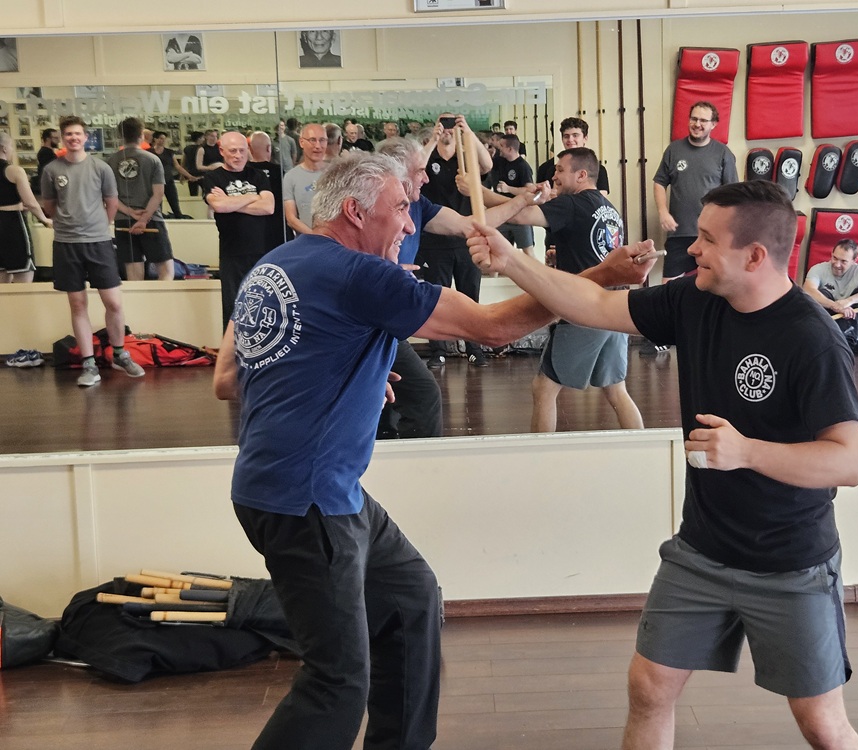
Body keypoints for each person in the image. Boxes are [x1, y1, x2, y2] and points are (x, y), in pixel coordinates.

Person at [212, 151, 653, 750]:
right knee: (336, 683)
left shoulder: (275, 264)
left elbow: (229, 379)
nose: (407, 224)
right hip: (308, 500)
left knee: (409, 598)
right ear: (354, 211)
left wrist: (341, 367)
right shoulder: (362, 275)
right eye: (399, 208)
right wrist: (600, 276)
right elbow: (493, 328)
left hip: (297, 487)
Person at [467, 178, 858, 750]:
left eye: (707, 239)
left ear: (755, 256)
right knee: (650, 686)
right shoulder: (695, 298)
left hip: (791, 566)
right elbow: (595, 304)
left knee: (822, 724)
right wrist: (512, 260)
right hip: (701, 551)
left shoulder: (812, 338)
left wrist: (748, 451)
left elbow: (849, 461)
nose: (692, 248)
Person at [375, 135, 552, 439]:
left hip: (389, 324)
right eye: (420, 171)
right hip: (370, 321)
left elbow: (470, 225)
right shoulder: (370, 207)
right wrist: (379, 271)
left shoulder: (419, 205)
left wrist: (522, 200)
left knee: (404, 399)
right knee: (414, 398)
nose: (426, 178)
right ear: (397, 173)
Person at [498, 147, 643, 432]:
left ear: (581, 175)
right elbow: (598, 251)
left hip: (586, 308)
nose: (554, 176)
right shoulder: (609, 209)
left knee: (544, 388)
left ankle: (541, 456)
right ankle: (642, 448)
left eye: (560, 170)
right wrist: (563, 257)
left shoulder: (573, 204)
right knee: (616, 390)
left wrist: (480, 193)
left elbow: (520, 217)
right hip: (617, 307)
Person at [40, 116, 146, 387]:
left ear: (86, 137)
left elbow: (112, 203)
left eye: (78, 134)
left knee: (114, 303)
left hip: (99, 242)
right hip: (66, 244)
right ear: (62, 138)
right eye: (68, 134)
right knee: (78, 305)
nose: (73, 138)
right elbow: (49, 207)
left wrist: (99, 226)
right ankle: (89, 364)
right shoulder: (52, 169)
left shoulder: (101, 168)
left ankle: (120, 354)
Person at [418, 112, 493, 368]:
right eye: (444, 123)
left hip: (466, 239)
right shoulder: (429, 156)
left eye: (452, 124)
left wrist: (468, 131)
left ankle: (473, 348)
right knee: (435, 298)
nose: (448, 128)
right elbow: (414, 168)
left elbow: (487, 165)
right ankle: (438, 350)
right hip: (434, 241)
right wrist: (433, 139)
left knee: (470, 298)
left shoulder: (466, 158)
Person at [653, 101, 738, 279]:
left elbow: (733, 195)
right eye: (694, 119)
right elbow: (659, 182)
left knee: (711, 285)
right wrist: (663, 212)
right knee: (669, 288)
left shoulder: (723, 153)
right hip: (679, 234)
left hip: (711, 235)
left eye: (703, 120)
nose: (697, 124)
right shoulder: (673, 150)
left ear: (713, 124)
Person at [203, 131, 275, 329]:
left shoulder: (258, 175)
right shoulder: (213, 177)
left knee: (261, 306)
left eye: (242, 151)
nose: (238, 155)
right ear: (222, 151)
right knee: (233, 309)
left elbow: (268, 207)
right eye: (233, 151)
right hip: (231, 253)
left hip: (260, 252)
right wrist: (253, 197)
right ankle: (232, 348)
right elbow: (219, 206)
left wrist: (230, 202)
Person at [106, 117, 175, 281]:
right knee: (166, 271)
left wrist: (130, 212)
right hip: (151, 219)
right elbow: (158, 194)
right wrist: (143, 219)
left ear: (120, 136)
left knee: (133, 275)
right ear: (142, 135)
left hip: (124, 221)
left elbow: (109, 196)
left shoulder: (110, 161)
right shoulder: (152, 159)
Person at [804, 239, 858, 355]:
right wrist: (835, 306)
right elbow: (808, 290)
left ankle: (845, 340)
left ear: (854, 260)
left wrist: (848, 301)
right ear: (831, 254)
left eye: (843, 261)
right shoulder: (818, 269)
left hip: (854, 326)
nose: (837, 264)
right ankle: (850, 344)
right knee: (822, 293)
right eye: (835, 258)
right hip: (829, 323)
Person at [0, 132, 52, 284]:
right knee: (23, 275)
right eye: (11, 146)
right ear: (4, 148)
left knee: (2, 278)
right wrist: (45, 219)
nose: (12, 150)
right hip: (12, 225)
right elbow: (30, 202)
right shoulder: (14, 171)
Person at [536, 117, 610, 195]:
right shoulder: (545, 169)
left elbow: (599, 198)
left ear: (585, 138)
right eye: (566, 136)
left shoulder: (598, 170)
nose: (570, 140)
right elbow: (539, 197)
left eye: (575, 135)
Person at [492, 134, 536, 258]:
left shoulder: (523, 167)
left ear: (510, 149)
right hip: (503, 214)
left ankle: (533, 271)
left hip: (520, 215)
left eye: (502, 146)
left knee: (528, 252)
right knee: (500, 252)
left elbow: (529, 191)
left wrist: (508, 189)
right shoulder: (499, 161)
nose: (499, 148)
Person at [282, 123, 327, 236]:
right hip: (307, 241)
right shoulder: (290, 177)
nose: (318, 146)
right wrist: (315, 236)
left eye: (322, 140)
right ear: (301, 142)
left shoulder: (337, 173)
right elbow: (291, 218)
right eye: (312, 140)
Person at [247, 131, 287, 251]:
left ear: (250, 149)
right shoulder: (279, 172)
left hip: (251, 230)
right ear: (269, 148)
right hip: (278, 229)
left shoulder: (244, 172)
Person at [151, 130, 195, 219]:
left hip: (168, 180)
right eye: (160, 138)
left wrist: (189, 176)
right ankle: (159, 219)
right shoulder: (149, 152)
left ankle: (178, 217)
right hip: (155, 182)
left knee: (174, 202)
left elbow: (177, 166)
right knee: (157, 203)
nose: (162, 141)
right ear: (155, 139)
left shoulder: (169, 152)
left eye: (164, 139)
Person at [32, 128, 59, 195]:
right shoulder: (45, 153)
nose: (58, 141)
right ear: (48, 139)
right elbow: (51, 172)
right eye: (56, 138)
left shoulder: (48, 152)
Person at [182, 130, 204, 196]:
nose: (204, 139)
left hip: (191, 173)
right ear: (199, 138)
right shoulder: (202, 148)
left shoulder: (187, 148)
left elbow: (183, 161)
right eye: (202, 138)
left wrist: (182, 174)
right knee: (206, 193)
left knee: (193, 194)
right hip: (202, 174)